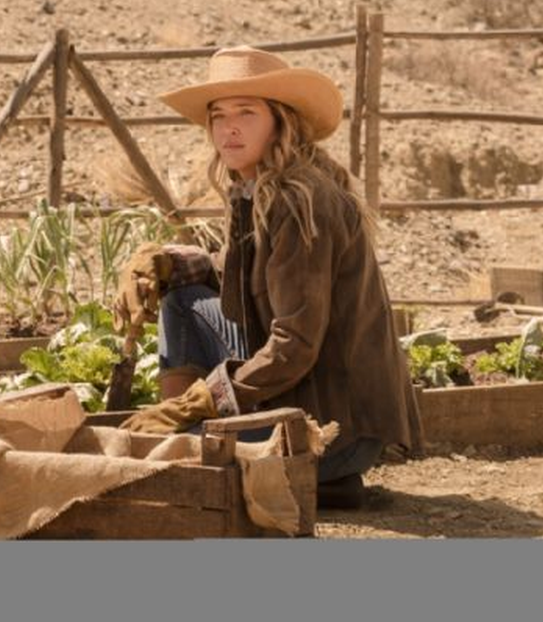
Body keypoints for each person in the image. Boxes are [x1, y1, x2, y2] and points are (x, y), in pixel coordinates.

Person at [113, 46, 423, 509]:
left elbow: (293, 344)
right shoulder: (258, 187)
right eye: (218, 115)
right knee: (182, 300)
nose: (229, 127)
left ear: (281, 120)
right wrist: (166, 263)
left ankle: (265, 456)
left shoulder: (300, 202)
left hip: (331, 426)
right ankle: (184, 429)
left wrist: (200, 402)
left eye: (246, 113)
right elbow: (240, 275)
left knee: (183, 454)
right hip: (299, 394)